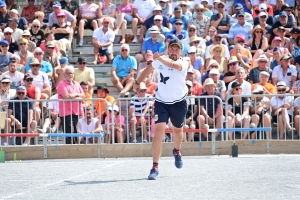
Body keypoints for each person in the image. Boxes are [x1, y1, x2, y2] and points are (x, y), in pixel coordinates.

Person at [134, 39, 188, 180]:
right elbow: (149, 69)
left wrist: (159, 59)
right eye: (172, 49)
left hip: (178, 102)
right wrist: (137, 82)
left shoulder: (184, 62)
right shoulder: (161, 60)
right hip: (161, 101)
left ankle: (176, 151)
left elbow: (173, 65)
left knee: (178, 130)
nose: (174, 51)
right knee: (159, 130)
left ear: (180, 51)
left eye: (177, 49)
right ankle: (155, 166)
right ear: (168, 49)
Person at [57, 65, 85, 144]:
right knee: (69, 132)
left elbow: (83, 95)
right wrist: (78, 96)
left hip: (75, 111)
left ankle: (75, 149)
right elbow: (66, 96)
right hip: (66, 112)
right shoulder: (61, 84)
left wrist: (74, 95)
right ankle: (69, 149)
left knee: (75, 131)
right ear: (64, 74)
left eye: (72, 73)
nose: (70, 75)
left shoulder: (76, 83)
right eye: (68, 73)